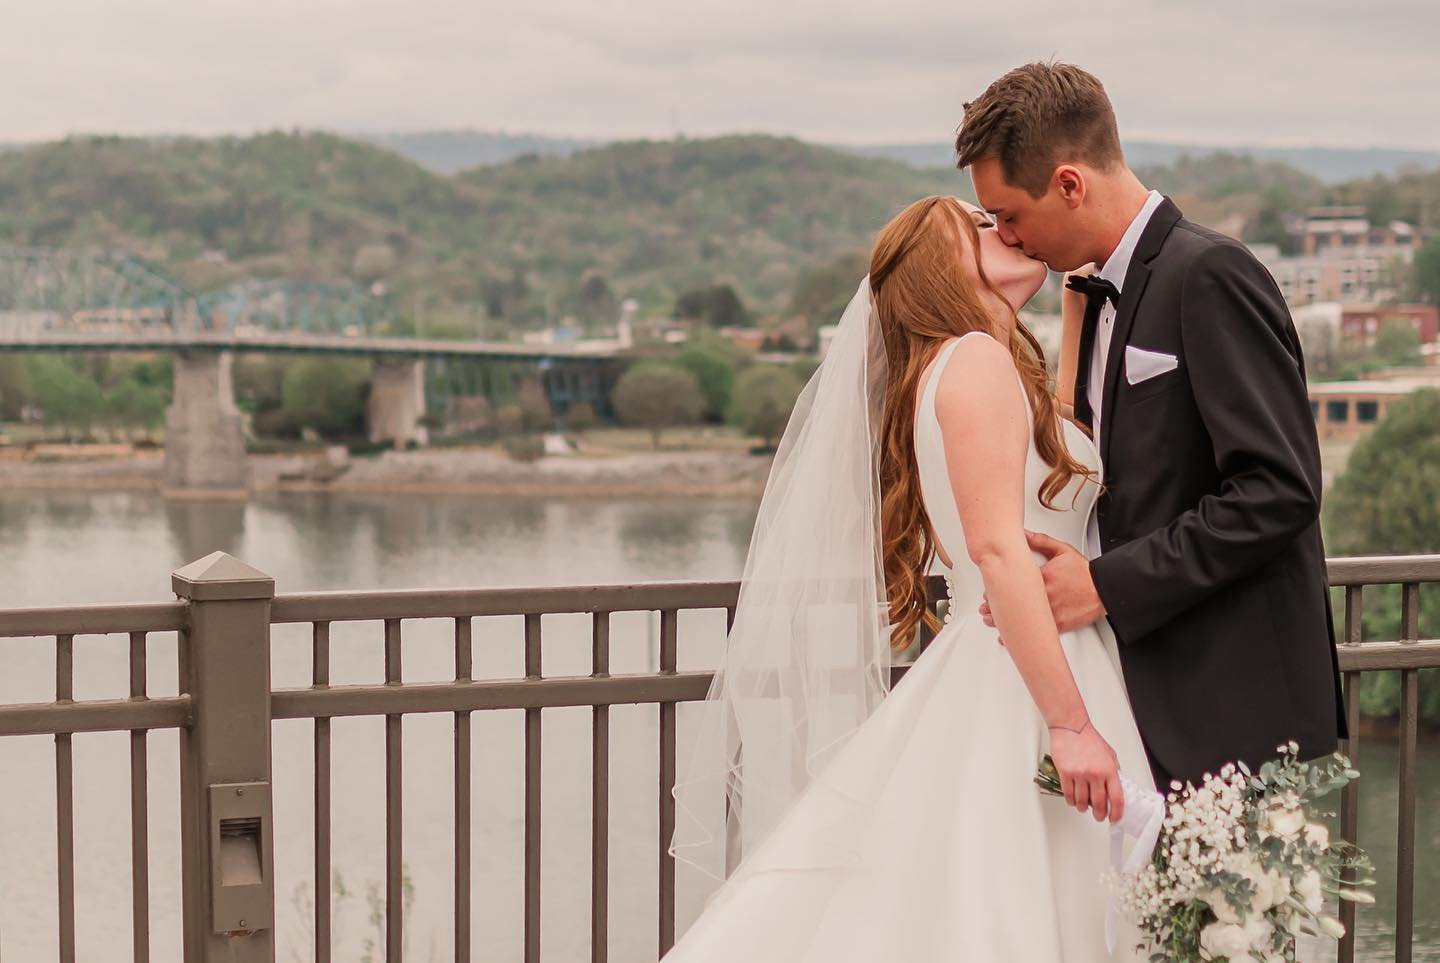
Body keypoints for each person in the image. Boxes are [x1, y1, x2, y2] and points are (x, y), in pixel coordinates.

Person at [664, 193, 1153, 962]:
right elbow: (997, 553)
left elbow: (1050, 461)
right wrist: (1070, 725)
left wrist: (1075, 313)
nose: (1010, 231)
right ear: (941, 266)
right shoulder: (977, 362)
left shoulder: (967, 367)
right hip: (1026, 677)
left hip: (1029, 655)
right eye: (984, 226)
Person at [959, 62, 1345, 789]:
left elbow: (1279, 489)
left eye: (1010, 213)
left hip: (1231, 711)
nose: (1006, 234)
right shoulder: (1093, 296)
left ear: (1070, 184)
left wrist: (1107, 584)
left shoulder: (1208, 274)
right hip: (1143, 698)